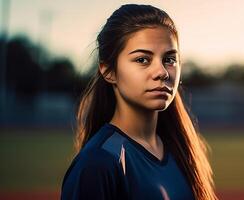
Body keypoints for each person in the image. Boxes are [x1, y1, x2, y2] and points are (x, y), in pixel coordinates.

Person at [61, 4, 217, 200]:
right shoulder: (98, 163)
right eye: (143, 60)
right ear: (108, 71)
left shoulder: (180, 148)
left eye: (170, 59)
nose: (162, 72)